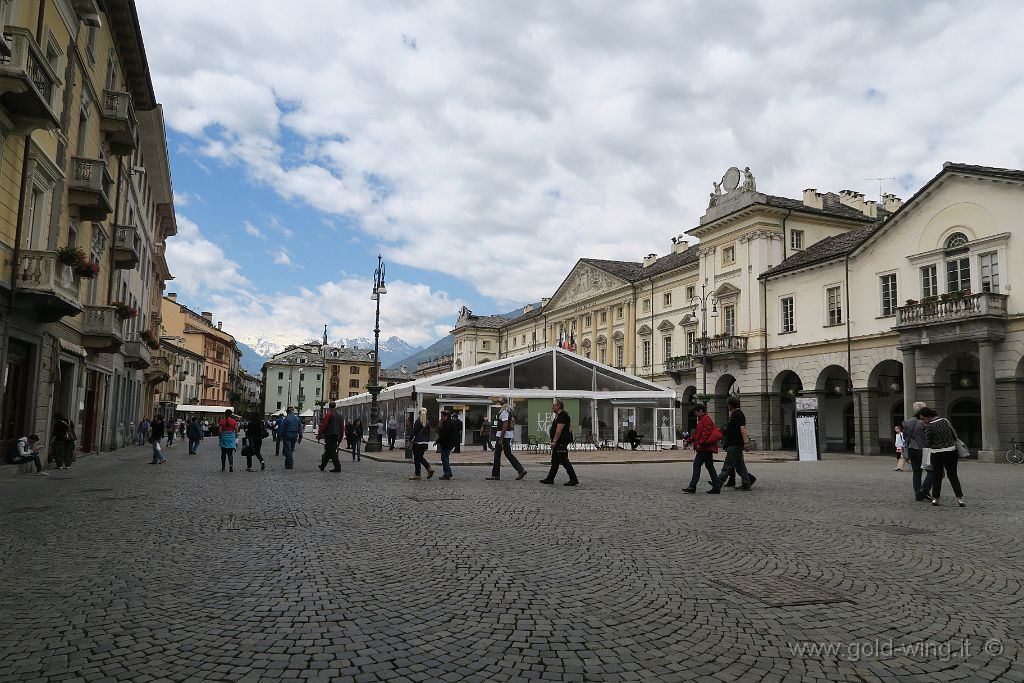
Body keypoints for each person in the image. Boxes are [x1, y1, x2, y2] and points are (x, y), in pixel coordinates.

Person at [918, 407, 966, 507]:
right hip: (951, 451)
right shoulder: (945, 420)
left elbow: (928, 442)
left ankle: (936, 499)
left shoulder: (928, 427)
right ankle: (959, 499)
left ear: (928, 416)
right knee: (953, 475)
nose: (922, 421)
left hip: (937, 453)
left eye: (923, 418)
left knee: (937, 476)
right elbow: (954, 434)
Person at [716, 396, 754, 491]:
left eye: (727, 404)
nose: (727, 406)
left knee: (728, 465)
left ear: (730, 405)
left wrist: (746, 442)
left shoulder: (739, 414)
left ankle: (718, 482)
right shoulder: (734, 414)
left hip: (735, 444)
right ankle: (746, 483)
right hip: (732, 444)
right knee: (740, 466)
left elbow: (743, 428)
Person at [683, 404, 721, 494]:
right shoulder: (703, 419)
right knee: (710, 466)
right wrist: (688, 441)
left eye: (696, 411)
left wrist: (700, 443)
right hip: (706, 447)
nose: (695, 413)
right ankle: (716, 486)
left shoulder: (705, 419)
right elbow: (697, 434)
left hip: (704, 448)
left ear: (700, 411)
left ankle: (692, 486)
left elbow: (705, 433)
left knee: (697, 465)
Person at [485, 403, 527, 481]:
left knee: (497, 455)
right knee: (508, 454)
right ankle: (521, 470)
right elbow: (510, 424)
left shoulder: (504, 412)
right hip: (507, 436)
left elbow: (505, 425)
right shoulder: (509, 412)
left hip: (502, 436)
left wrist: (501, 438)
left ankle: (495, 475)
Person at [540, 399, 578, 486]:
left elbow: (559, 429)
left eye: (554, 405)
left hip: (561, 442)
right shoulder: (558, 416)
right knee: (555, 461)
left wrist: (554, 441)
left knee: (564, 460)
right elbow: (570, 427)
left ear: (558, 406)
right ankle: (550, 478)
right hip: (559, 441)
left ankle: (573, 478)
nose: (552, 407)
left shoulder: (562, 415)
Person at [902, 401, 933, 502]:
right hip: (924, 450)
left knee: (916, 473)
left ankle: (917, 493)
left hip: (911, 449)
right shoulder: (925, 422)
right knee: (931, 471)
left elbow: (905, 436)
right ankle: (924, 490)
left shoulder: (908, 421)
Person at [408, 408, 435, 480]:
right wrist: (427, 442)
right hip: (425, 442)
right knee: (420, 457)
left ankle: (419, 473)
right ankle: (428, 469)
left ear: (419, 413)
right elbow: (428, 434)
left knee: (417, 458)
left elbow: (414, 432)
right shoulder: (427, 422)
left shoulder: (418, 421)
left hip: (418, 442)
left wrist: (409, 440)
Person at [317, 402, 344, 472]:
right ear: (335, 406)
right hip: (336, 435)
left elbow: (324, 425)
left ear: (329, 407)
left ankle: (338, 467)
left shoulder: (328, 414)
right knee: (328, 451)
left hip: (329, 435)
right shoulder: (340, 415)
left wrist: (319, 435)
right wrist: (341, 437)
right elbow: (342, 427)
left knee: (332, 452)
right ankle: (322, 466)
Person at [435, 410, 460, 480]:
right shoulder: (450, 423)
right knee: (446, 458)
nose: (441, 417)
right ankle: (449, 473)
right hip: (449, 443)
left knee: (444, 458)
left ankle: (447, 474)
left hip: (447, 444)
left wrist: (437, 441)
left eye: (442, 416)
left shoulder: (447, 424)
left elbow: (444, 435)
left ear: (446, 416)